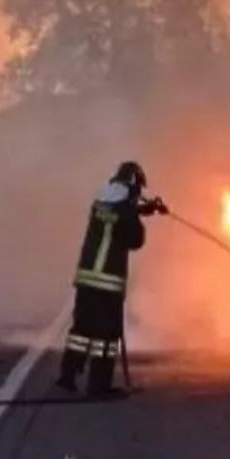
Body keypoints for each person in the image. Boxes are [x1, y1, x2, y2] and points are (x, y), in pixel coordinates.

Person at [57, 162, 167, 396]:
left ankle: (68, 375)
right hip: (108, 283)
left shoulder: (100, 202)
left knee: (82, 330)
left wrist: (143, 209)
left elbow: (116, 215)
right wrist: (142, 212)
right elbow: (136, 239)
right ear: (134, 185)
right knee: (106, 337)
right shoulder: (126, 210)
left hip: (87, 279)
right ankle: (98, 386)